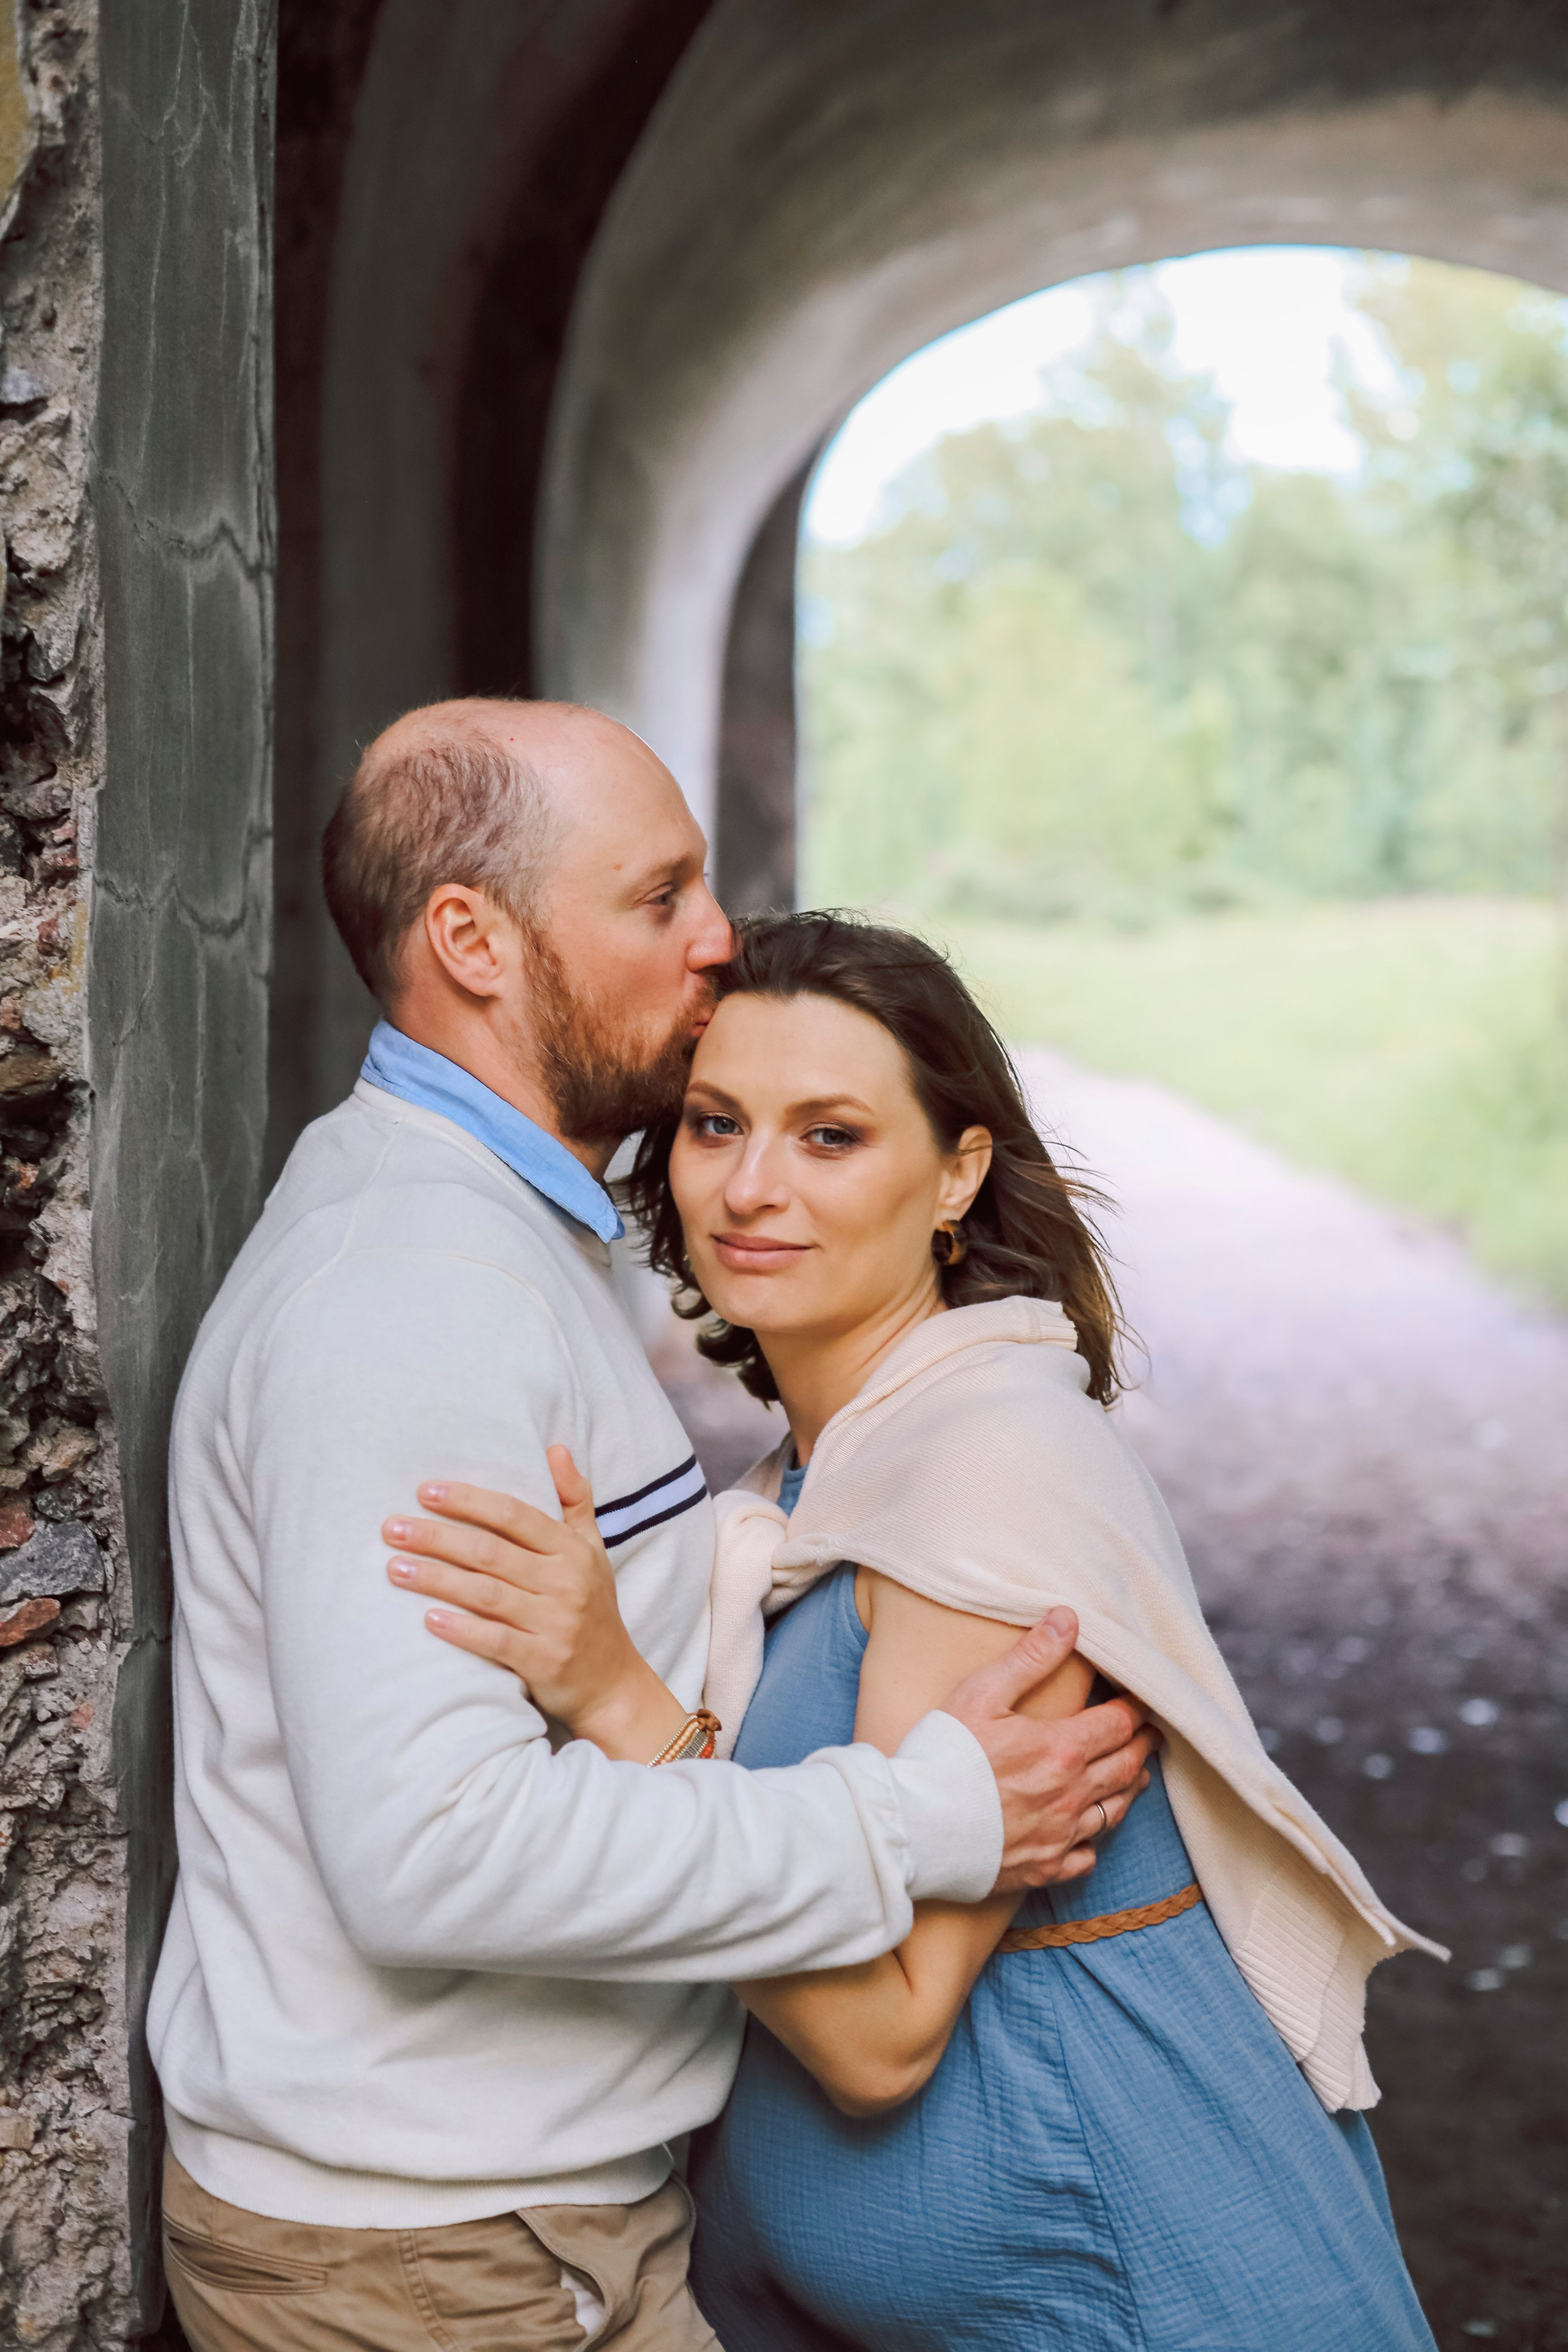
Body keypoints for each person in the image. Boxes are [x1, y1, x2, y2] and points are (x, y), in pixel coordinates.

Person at [148, 701, 1159, 2352]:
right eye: (660, 896)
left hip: (513, 2225)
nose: (719, 939)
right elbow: (436, 1853)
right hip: (432, 2263)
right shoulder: (410, 1293)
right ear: (473, 942)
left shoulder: (496, 1233)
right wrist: (926, 1818)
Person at [390, 910, 1442, 2351]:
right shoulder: (822, 1468)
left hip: (1132, 2285)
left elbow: (880, 2034)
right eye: (715, 1124)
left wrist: (616, 1698)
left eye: (831, 1136)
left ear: (955, 1172)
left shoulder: (986, 1472)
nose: (752, 1187)